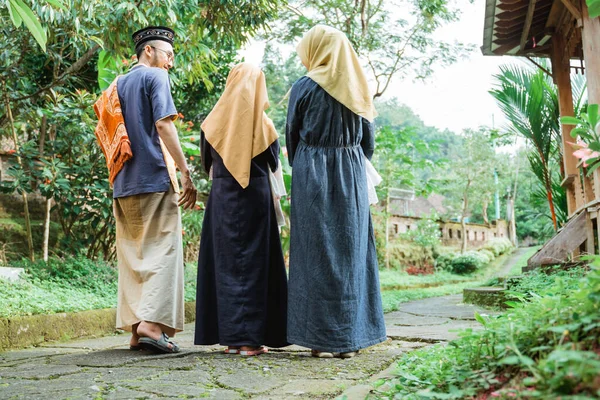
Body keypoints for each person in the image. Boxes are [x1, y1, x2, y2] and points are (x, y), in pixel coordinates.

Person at [285, 25, 387, 358]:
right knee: (351, 251)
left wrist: (310, 158)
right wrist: (348, 157)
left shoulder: (303, 87)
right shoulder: (358, 88)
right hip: (351, 172)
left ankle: (320, 341)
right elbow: (368, 143)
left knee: (314, 252)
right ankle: (350, 340)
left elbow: (291, 136)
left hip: (310, 172)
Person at [94, 26, 197, 354]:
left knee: (135, 256)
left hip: (123, 183)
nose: (170, 62)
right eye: (168, 54)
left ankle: (138, 330)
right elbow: (164, 124)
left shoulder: (116, 85)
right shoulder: (155, 78)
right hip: (154, 178)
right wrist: (185, 170)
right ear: (149, 52)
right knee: (163, 252)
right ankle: (153, 327)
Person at [194, 63, 288, 356]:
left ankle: (233, 340)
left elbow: (206, 162)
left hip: (222, 197)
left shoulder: (212, 122)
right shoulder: (264, 125)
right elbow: (274, 164)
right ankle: (251, 341)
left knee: (226, 263)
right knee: (256, 265)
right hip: (256, 198)